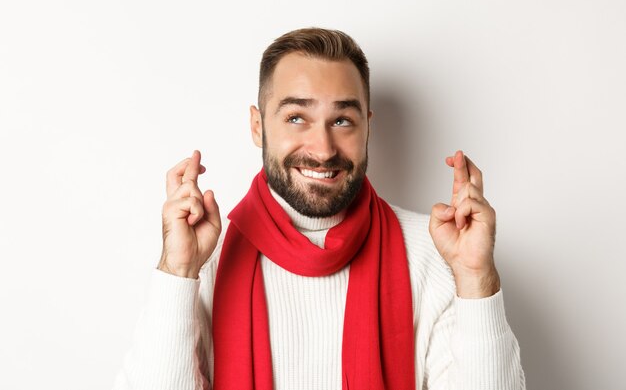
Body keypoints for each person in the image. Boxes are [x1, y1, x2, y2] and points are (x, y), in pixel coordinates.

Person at [112, 27, 526, 390]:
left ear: (368, 125)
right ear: (257, 126)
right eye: (296, 118)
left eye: (342, 120)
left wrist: (476, 279)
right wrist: (178, 271)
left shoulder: (435, 254)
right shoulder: (204, 258)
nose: (323, 149)